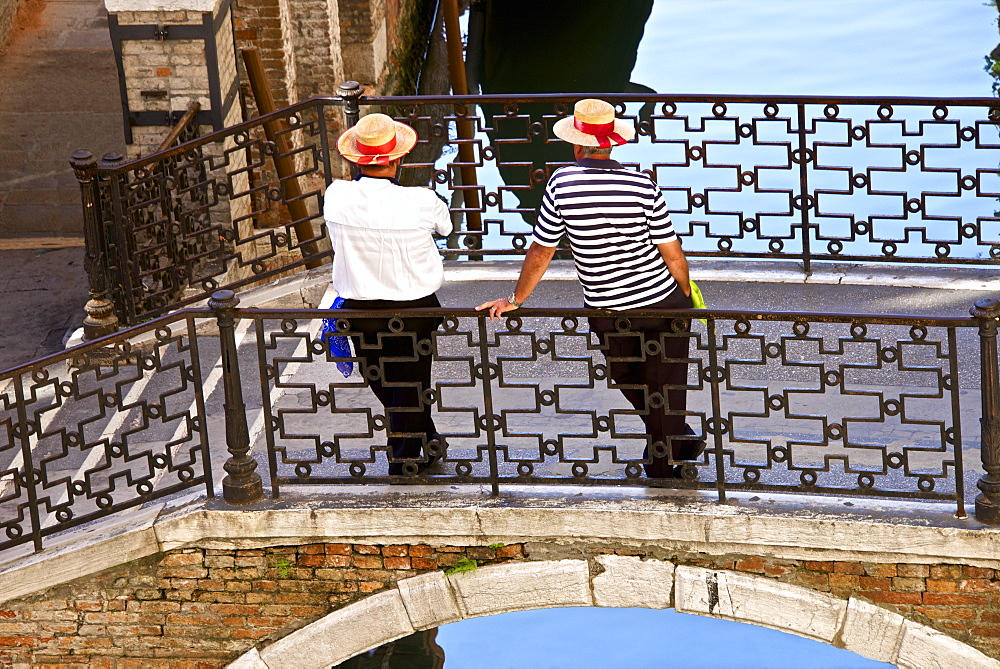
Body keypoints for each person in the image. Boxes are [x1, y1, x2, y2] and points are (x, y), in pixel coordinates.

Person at [476, 98, 703, 479]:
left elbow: (541, 252)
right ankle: (676, 439)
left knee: (628, 377)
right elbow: (672, 251)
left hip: (607, 307)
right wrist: (686, 293)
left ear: (577, 145)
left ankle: (664, 465)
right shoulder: (643, 183)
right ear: (612, 143)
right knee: (667, 382)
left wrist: (515, 299)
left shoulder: (561, 183)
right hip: (663, 299)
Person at [324, 113, 453, 475]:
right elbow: (446, 226)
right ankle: (407, 461)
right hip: (415, 308)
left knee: (387, 384)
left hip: (361, 311)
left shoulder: (335, 195)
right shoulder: (421, 200)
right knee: (408, 387)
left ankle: (414, 450)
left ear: (355, 160)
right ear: (397, 160)